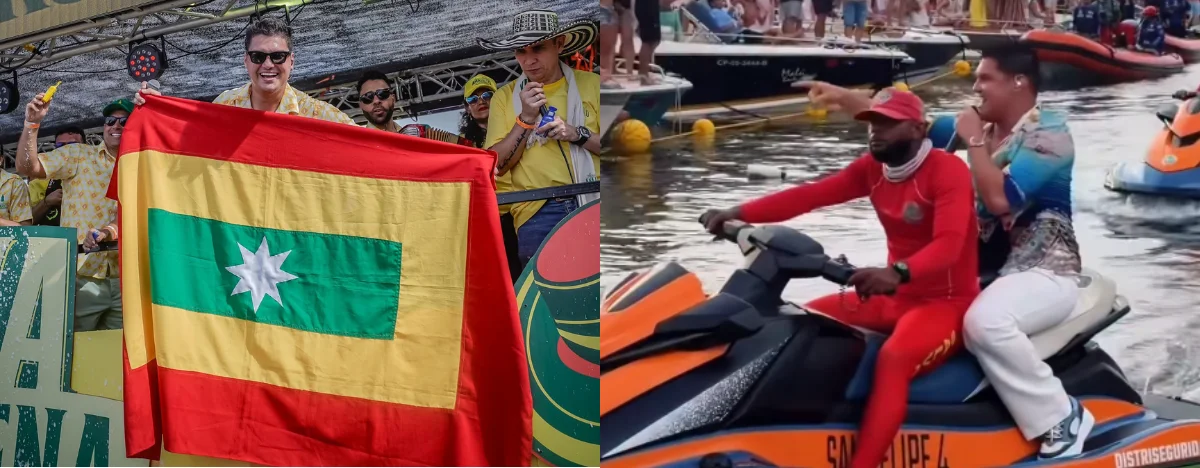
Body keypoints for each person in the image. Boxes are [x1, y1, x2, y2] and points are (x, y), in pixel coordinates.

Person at [703, 86, 980, 468]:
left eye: (888, 124)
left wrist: (897, 272)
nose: (875, 132)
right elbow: (811, 195)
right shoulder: (872, 169)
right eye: (872, 123)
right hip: (894, 296)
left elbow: (949, 245)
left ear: (918, 130)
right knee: (795, 321)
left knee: (894, 359)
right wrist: (739, 211)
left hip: (946, 303)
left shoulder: (949, 171)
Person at [954, 45, 1093, 460]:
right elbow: (910, 127)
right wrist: (850, 99)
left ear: (1019, 82)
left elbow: (1000, 200)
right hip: (988, 271)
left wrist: (974, 141)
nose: (975, 87)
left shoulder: (1050, 134)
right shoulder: (987, 130)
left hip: (1047, 269)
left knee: (986, 323)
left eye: (984, 78)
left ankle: (1061, 416)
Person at [477, 10, 601, 267]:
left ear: (559, 44)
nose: (529, 60)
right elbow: (496, 165)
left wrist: (577, 133)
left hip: (596, 199)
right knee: (550, 302)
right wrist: (525, 118)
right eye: (521, 51)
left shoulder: (594, 84)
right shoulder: (504, 97)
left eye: (538, 48)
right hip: (536, 211)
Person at [16, 97, 126, 331]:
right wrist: (31, 124)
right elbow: (27, 168)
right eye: (110, 120)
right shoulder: (78, 155)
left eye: (124, 121)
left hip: (127, 280)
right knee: (75, 355)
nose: (115, 125)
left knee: (117, 358)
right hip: (81, 275)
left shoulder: (143, 164)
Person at [135, 17, 355, 125]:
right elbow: (188, 139)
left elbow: (371, 148)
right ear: (246, 61)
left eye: (277, 56)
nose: (268, 65)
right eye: (258, 57)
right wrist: (157, 111)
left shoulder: (319, 116)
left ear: (291, 61)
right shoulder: (225, 105)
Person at [29, 126, 83, 227]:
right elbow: (26, 222)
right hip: (54, 240)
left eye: (72, 145)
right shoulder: (41, 180)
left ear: (86, 147)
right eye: (60, 145)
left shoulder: (99, 175)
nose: (66, 150)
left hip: (90, 239)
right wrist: (47, 202)